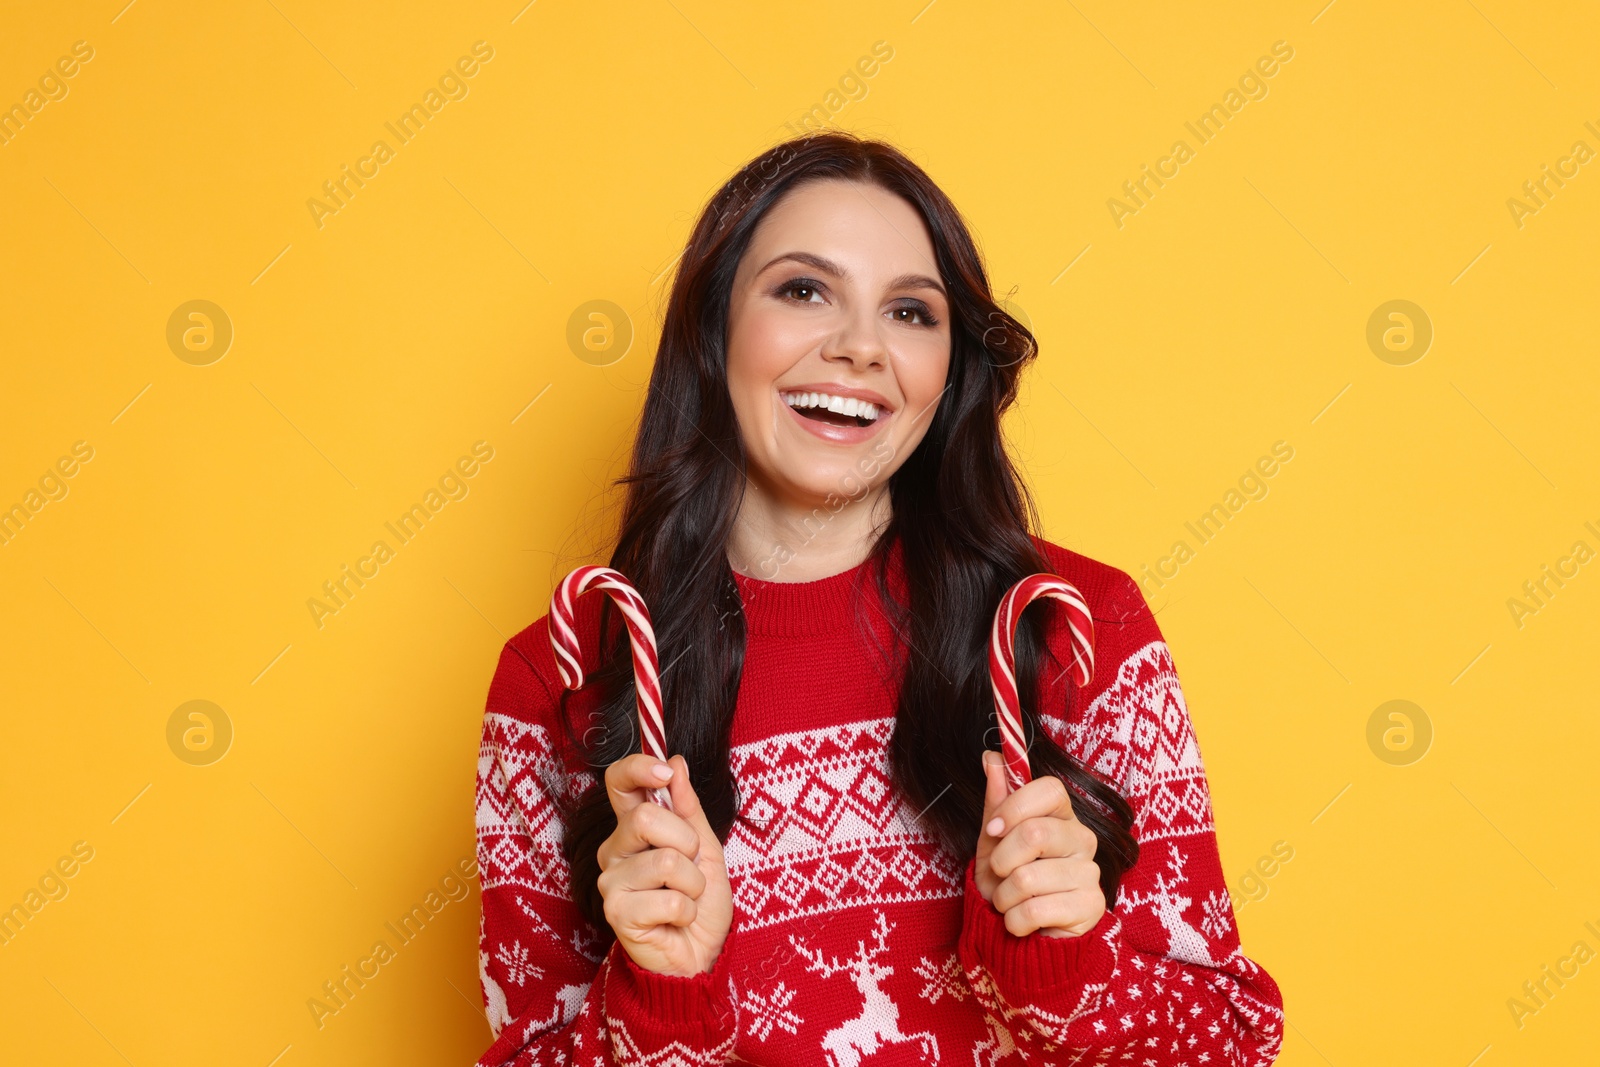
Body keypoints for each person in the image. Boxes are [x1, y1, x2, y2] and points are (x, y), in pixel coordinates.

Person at [473, 130, 1284, 1066]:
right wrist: (659, 993)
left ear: (949, 372)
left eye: (910, 311)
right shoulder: (566, 673)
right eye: (803, 290)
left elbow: (1229, 1048)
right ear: (712, 330)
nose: (861, 347)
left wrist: (1064, 965)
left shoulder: (1071, 624)